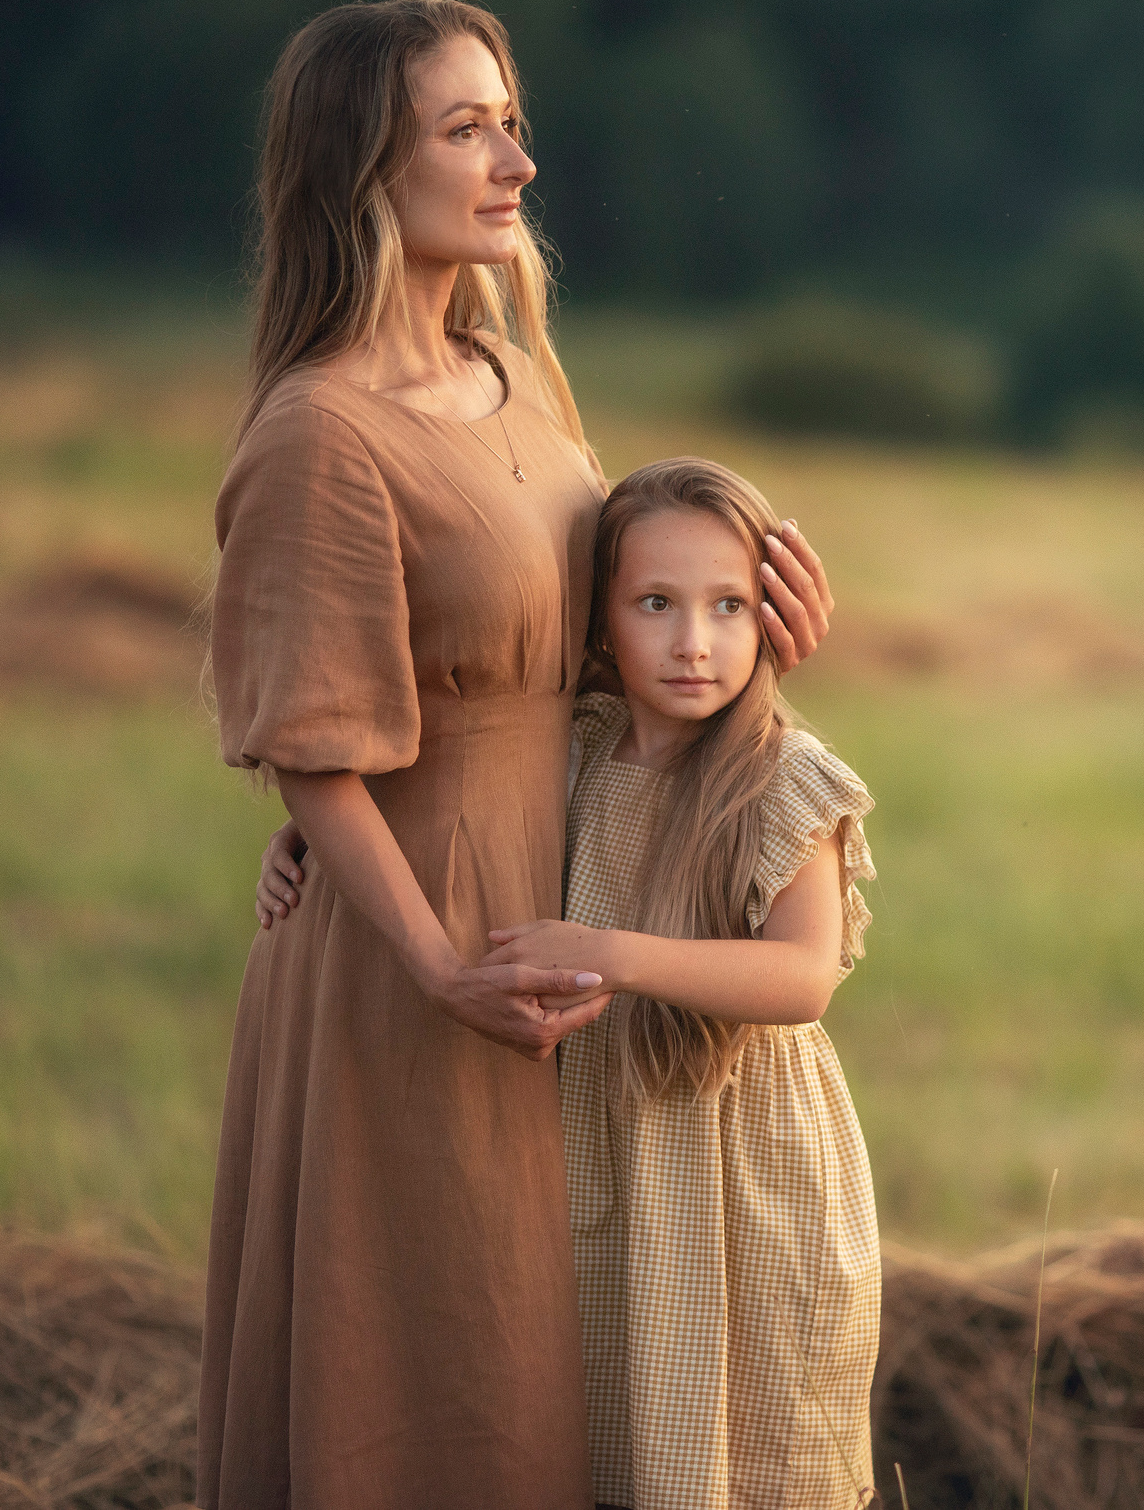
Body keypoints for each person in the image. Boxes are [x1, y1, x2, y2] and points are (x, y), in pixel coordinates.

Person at [207, 0, 833, 1508]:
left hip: (563, 906)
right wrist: (431, 958)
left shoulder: (518, 377)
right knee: (435, 1369)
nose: (515, 162)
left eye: (512, 120)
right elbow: (314, 738)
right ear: (364, 164)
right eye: (465, 127)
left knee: (569, 1369)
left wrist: (763, 628)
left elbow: (598, 629)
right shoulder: (320, 430)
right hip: (429, 954)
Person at [257, 458, 882, 1510]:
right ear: (598, 624)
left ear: (772, 617)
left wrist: (612, 952)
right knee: (610, 1445)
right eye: (656, 604)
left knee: (748, 1450)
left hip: (740, 1178)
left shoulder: (780, 778)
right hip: (606, 1164)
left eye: (729, 606)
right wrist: (309, 839)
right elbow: (447, 800)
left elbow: (803, 975)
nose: (694, 641)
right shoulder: (572, 753)